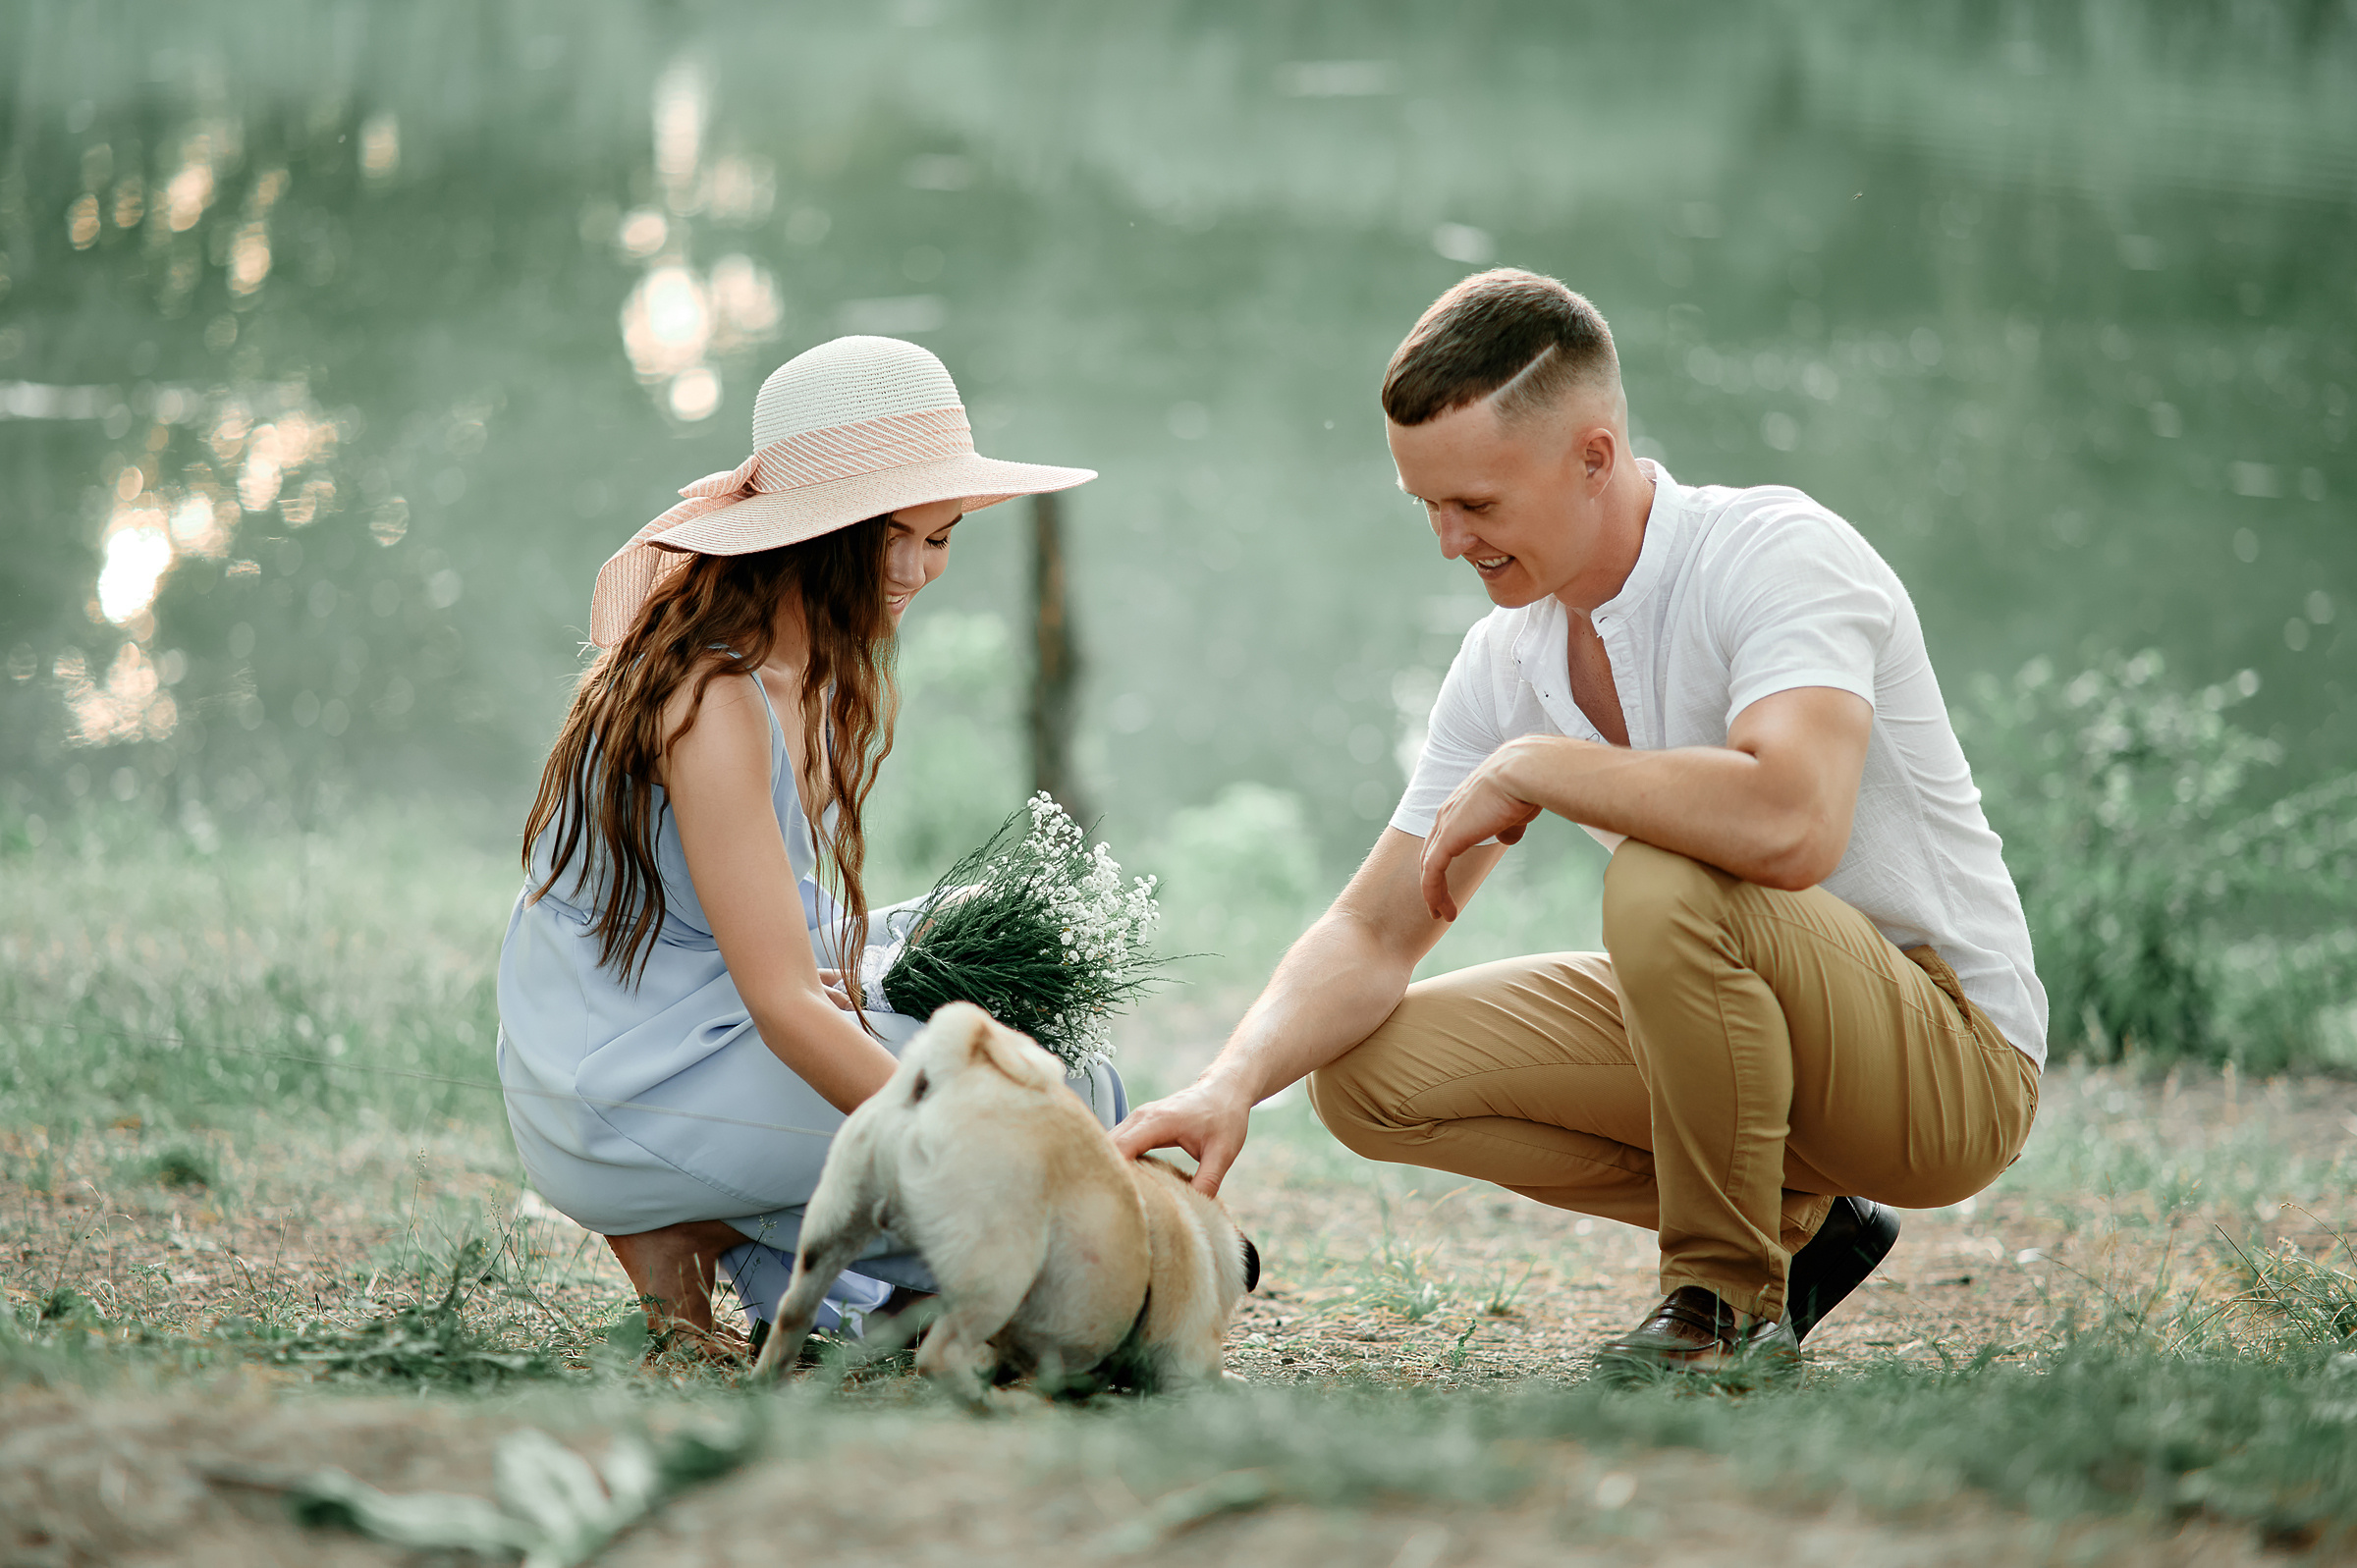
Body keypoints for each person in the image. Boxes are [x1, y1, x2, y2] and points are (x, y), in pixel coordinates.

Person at [1115, 270, 2045, 1371]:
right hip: (1753, 1032)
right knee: (1367, 1079)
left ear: (1593, 457)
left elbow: (1795, 825)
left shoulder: (1776, 554)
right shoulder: (1505, 657)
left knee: (1664, 877)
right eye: (1427, 506)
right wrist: (1229, 1085)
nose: (1448, 541)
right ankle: (1808, 1223)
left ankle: (1723, 1305)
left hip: (1946, 1059)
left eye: (1477, 504)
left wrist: (1543, 767)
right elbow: (1375, 932)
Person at [497, 335, 1109, 1354]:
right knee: (1016, 1121)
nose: (917, 570)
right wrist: (971, 1141)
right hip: (630, 1069)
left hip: (721, 1012)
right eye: (890, 538)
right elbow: (784, 1002)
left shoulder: (814, 665)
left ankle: (756, 1233)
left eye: (942, 535)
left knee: (1064, 1067)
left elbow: (783, 936)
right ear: (815, 532)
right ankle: (681, 1214)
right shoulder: (709, 696)